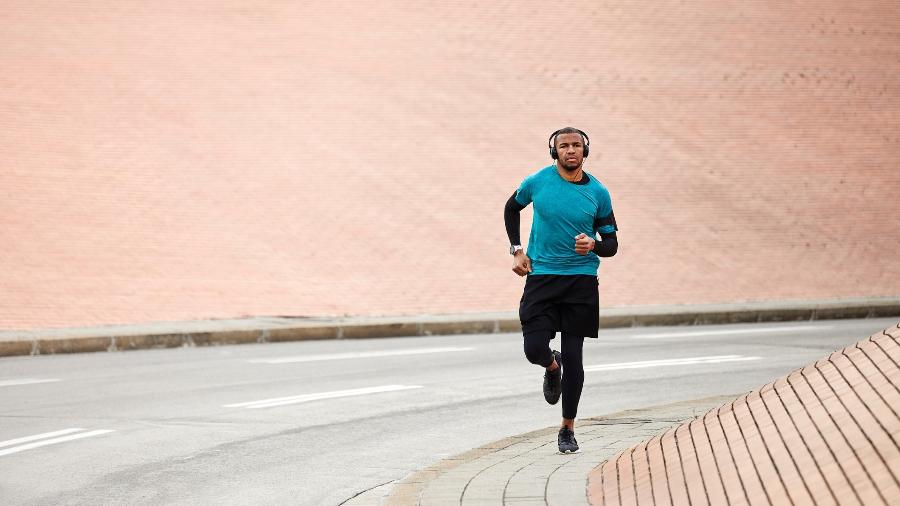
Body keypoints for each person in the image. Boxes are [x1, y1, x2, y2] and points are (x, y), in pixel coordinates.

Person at [503, 127, 618, 453]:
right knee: (533, 348)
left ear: (585, 151)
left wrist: (593, 245)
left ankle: (567, 428)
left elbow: (611, 244)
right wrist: (516, 250)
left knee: (575, 357)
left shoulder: (598, 192)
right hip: (542, 277)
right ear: (554, 152)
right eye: (564, 146)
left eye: (576, 145)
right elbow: (511, 208)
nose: (571, 150)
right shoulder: (537, 182)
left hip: (580, 282)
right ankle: (551, 367)